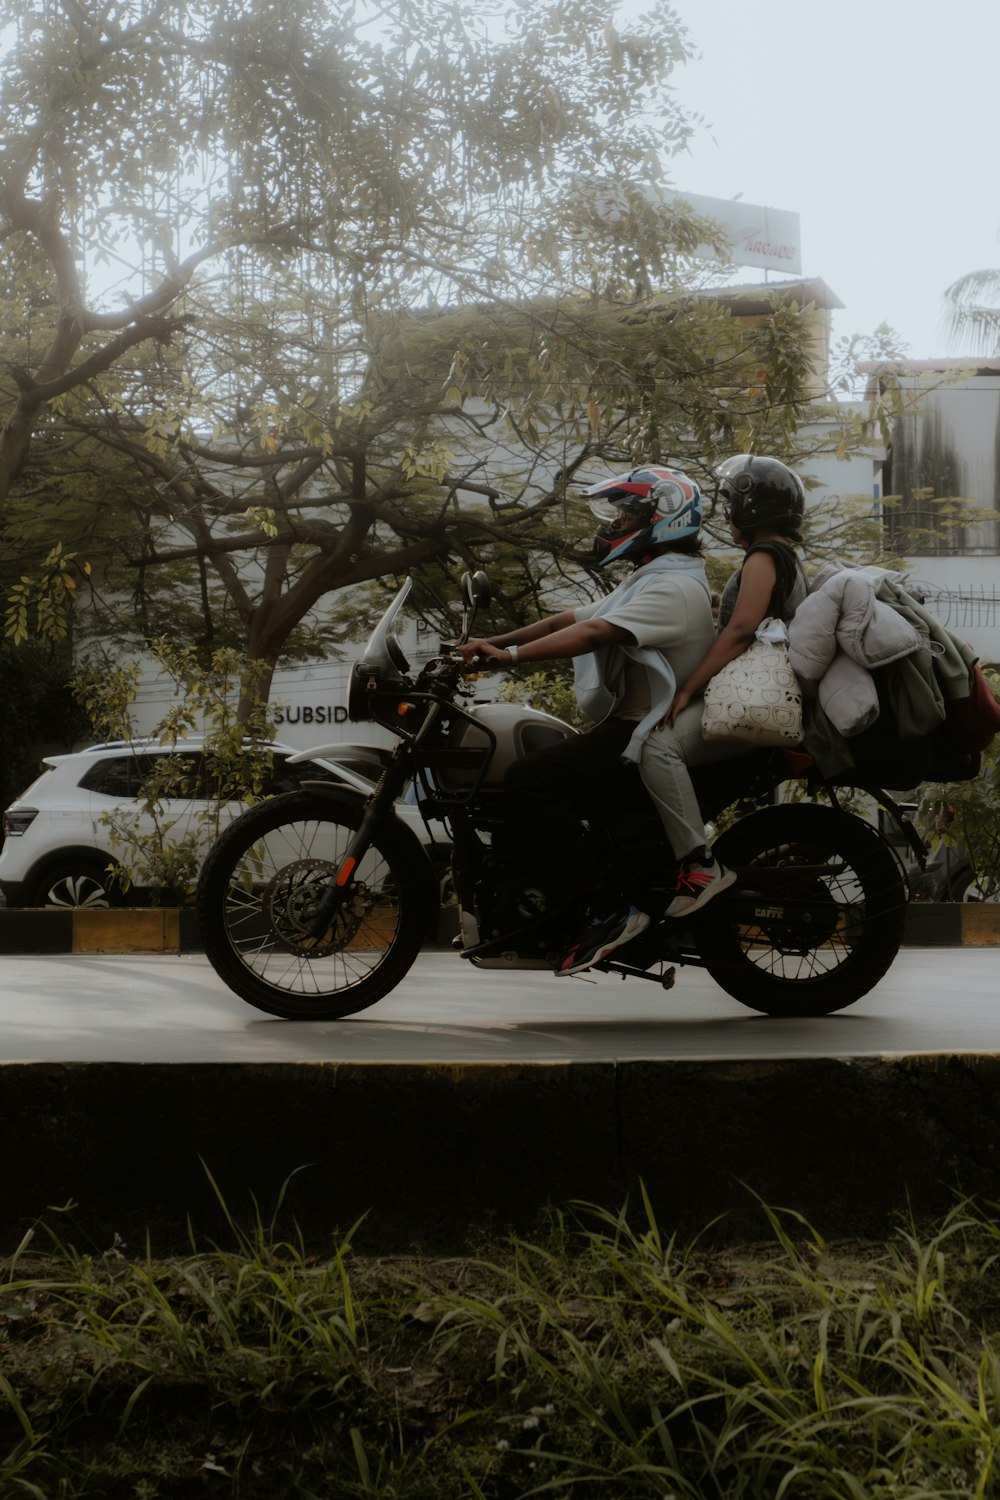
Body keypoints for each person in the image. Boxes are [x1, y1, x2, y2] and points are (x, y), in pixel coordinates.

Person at [452, 465, 716, 974]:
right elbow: (566, 620)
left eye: (627, 513)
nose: (615, 523)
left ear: (663, 518)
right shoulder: (651, 579)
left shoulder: (674, 590)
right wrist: (489, 645)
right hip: (630, 722)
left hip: (641, 725)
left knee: (530, 778)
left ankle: (604, 905)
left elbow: (594, 633)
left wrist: (504, 661)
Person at [637, 452, 809, 919]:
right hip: (766, 692)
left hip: (755, 696)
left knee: (657, 747)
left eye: (730, 502)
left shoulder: (763, 556)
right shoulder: (782, 556)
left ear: (750, 509)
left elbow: (740, 631)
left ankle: (699, 865)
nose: (726, 513)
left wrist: (688, 689)